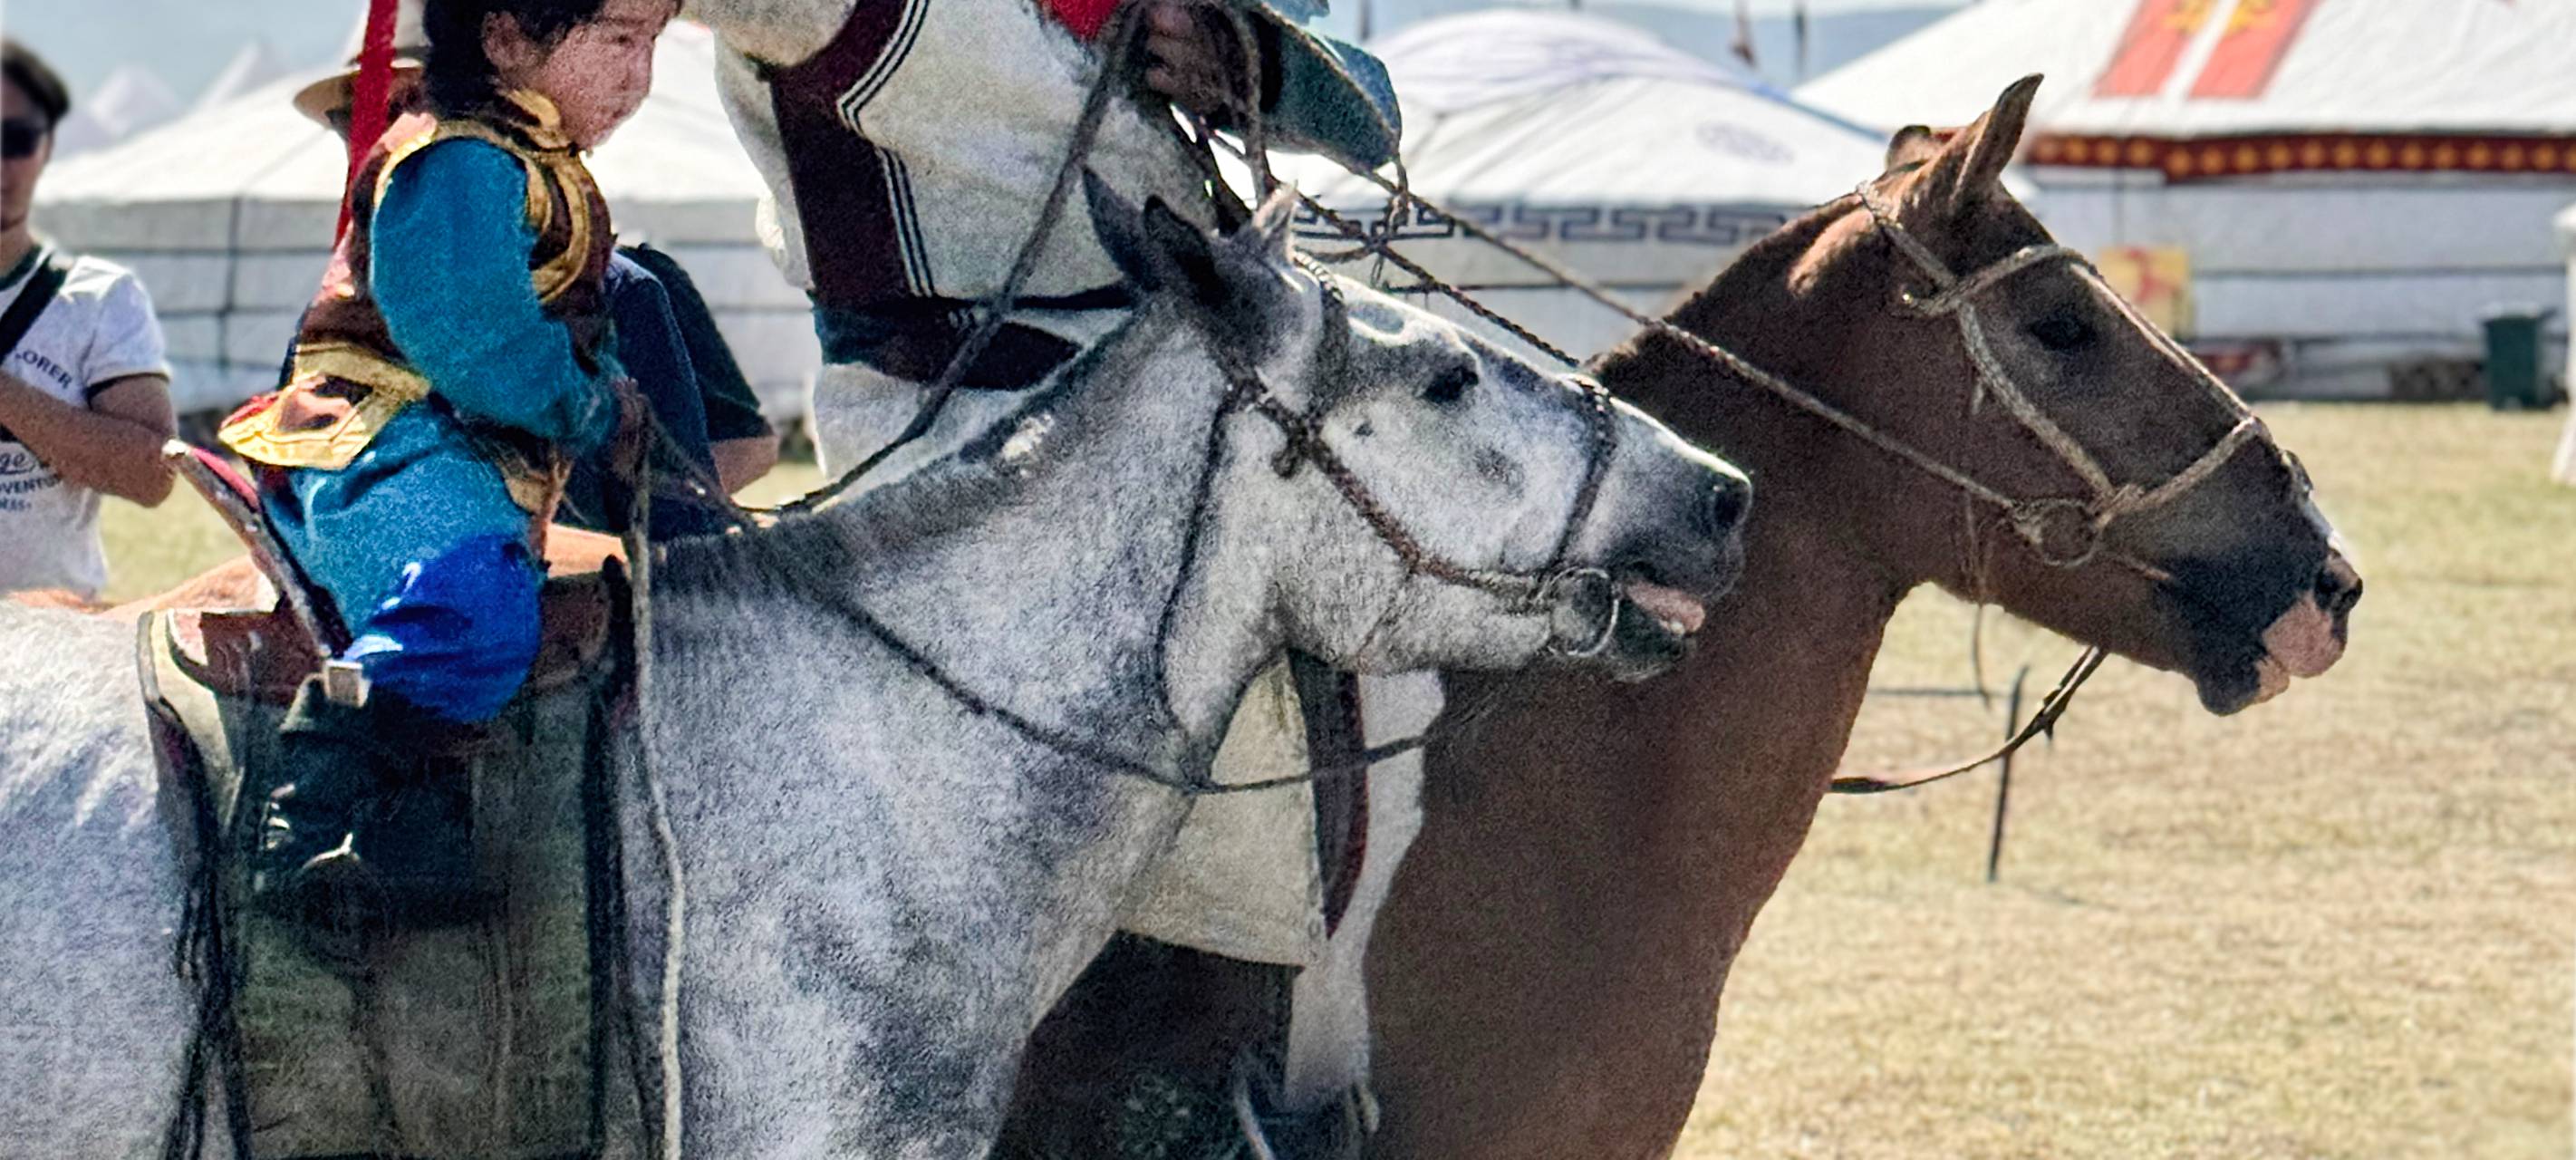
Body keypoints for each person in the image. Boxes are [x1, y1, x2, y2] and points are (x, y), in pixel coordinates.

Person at [677, 0, 1400, 1149]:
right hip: (951, 431)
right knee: (1146, 687)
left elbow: (1370, 115)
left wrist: (1254, 61)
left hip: (1194, 418)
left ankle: (1255, 1049)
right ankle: (1152, 1099)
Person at [217, 0, 674, 923]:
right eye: (618, 41)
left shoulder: (533, 159)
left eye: (652, 45)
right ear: (505, 37)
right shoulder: (457, 156)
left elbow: (564, 324)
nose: (639, 76)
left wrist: (616, 391)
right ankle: (308, 823)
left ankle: (421, 825)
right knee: (471, 608)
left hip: (450, 450)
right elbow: (470, 338)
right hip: (383, 442)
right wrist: (589, 405)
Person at [289, 2, 777, 541]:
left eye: (419, 102)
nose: (402, 137)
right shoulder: (355, 298)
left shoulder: (618, 283)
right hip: (405, 495)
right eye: (367, 117)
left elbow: (738, 452)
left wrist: (609, 433)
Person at [0, 38, 178, 601]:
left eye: (16, 139)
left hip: (49, 655)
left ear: (47, 148)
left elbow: (153, 476)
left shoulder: (100, 299)